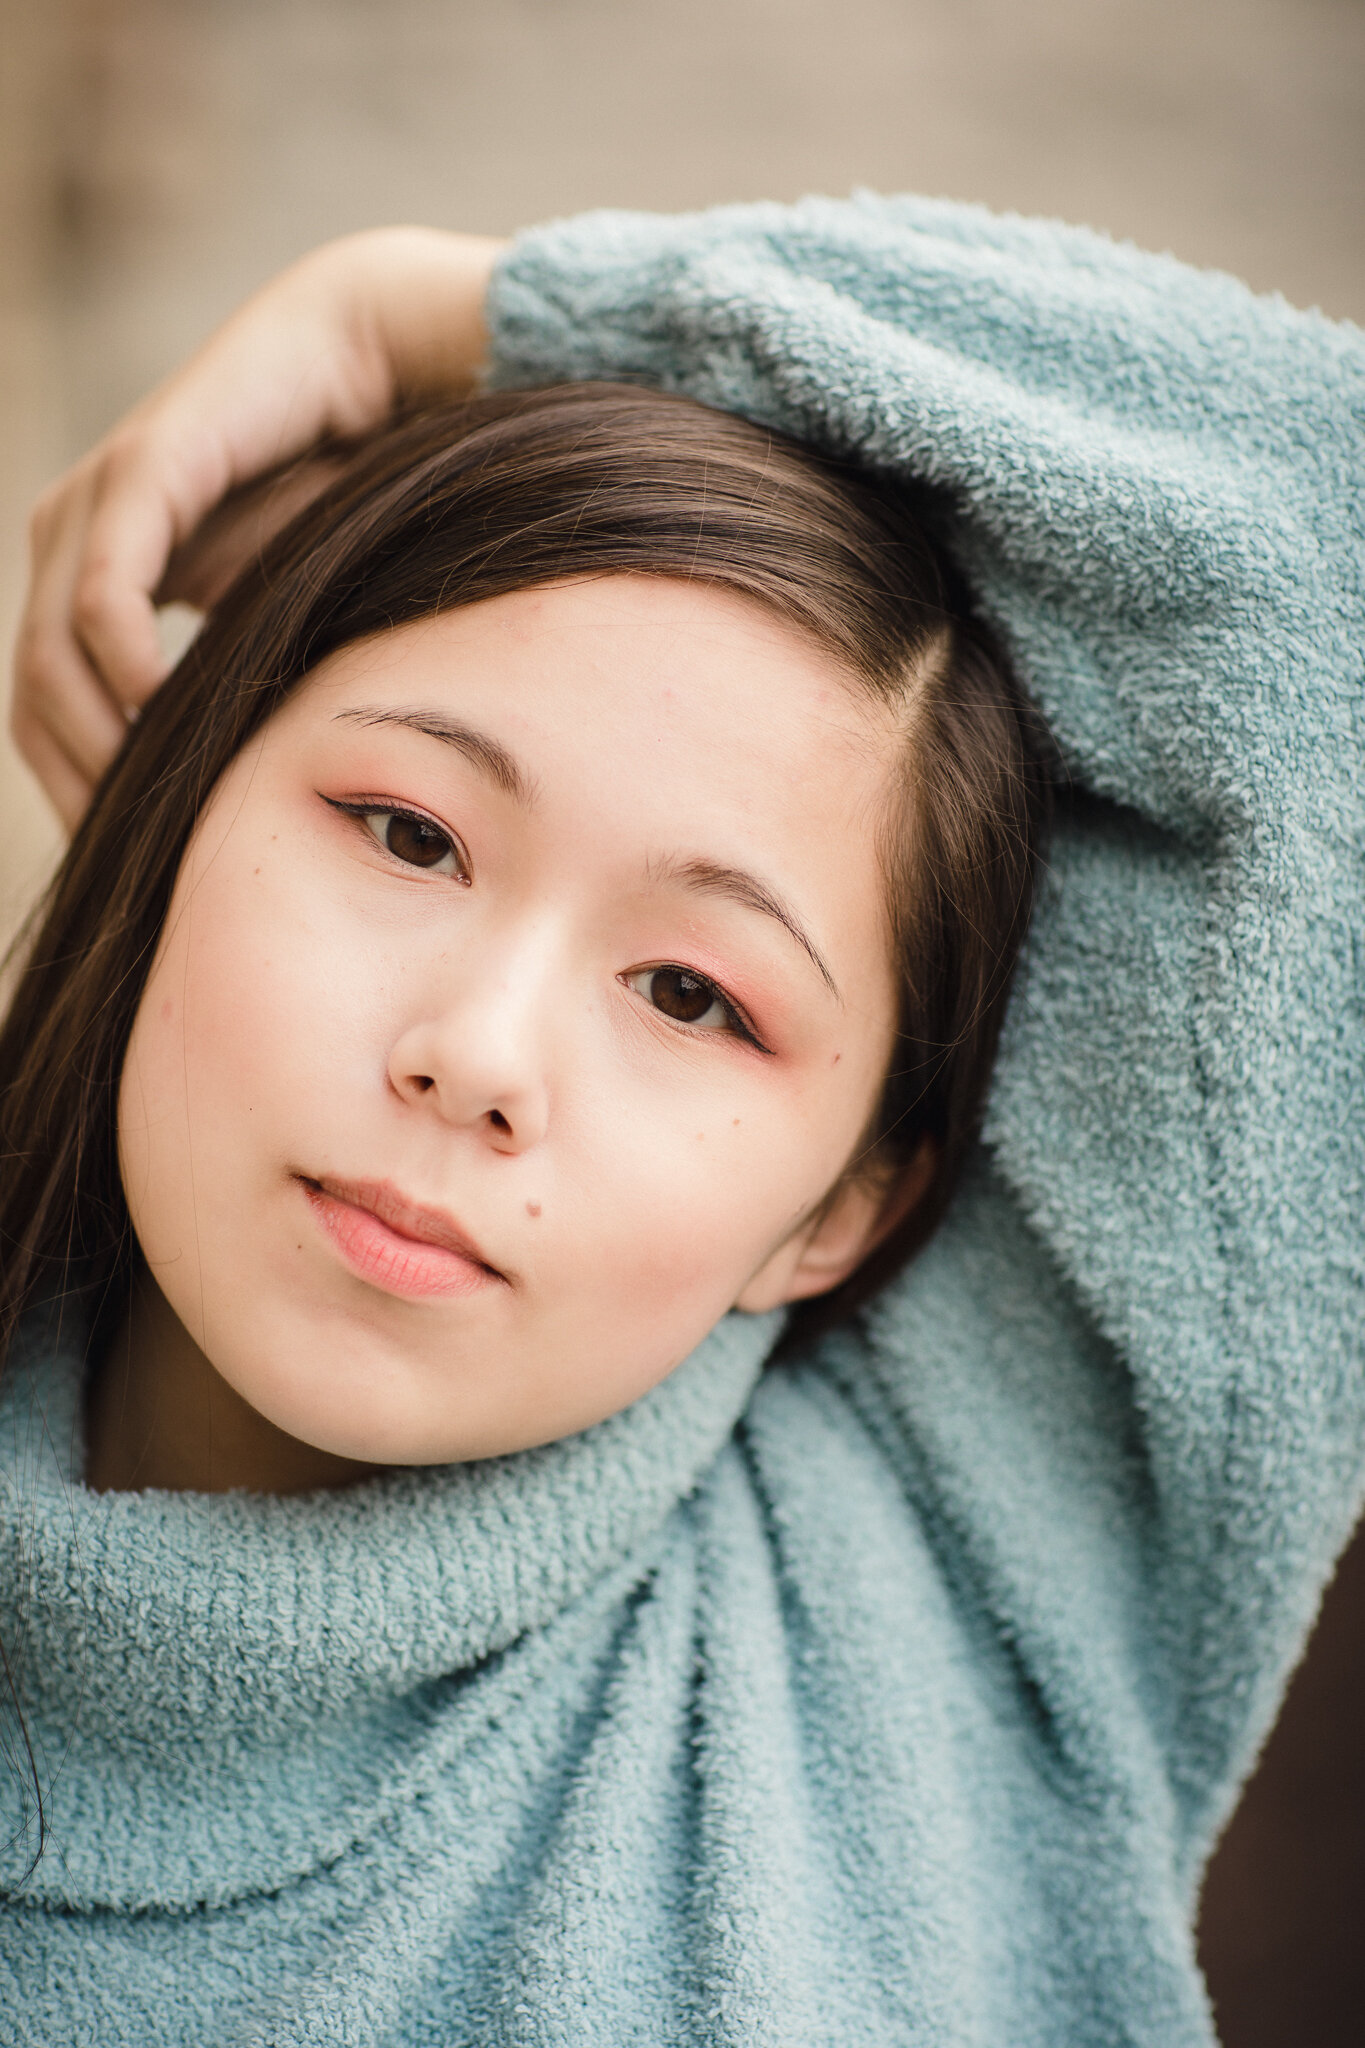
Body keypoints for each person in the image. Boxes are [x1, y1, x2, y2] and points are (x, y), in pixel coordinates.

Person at [2, 198, 1362, 2046]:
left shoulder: (957, 1554)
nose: (477, 1054)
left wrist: (444, 312)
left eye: (693, 996)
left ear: (842, 1211)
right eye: (410, 834)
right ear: (177, 808)